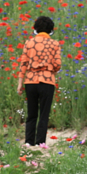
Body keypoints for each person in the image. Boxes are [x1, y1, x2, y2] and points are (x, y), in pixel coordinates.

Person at [17, 16, 61, 148]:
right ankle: (40, 143)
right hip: (47, 81)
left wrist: (20, 83)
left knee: (31, 114)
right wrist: (50, 69)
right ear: (51, 31)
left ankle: (28, 142)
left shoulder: (29, 43)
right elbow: (58, 64)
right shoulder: (54, 44)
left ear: (35, 29)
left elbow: (23, 63)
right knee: (44, 114)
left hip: (30, 81)